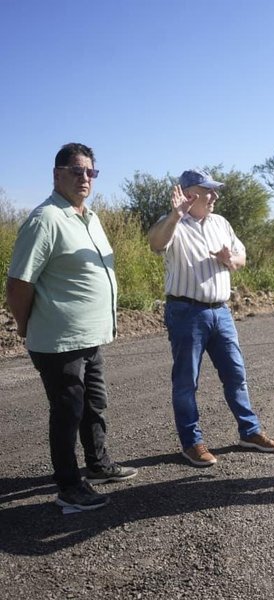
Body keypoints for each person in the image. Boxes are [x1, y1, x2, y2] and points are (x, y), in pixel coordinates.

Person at [6, 143, 137, 512]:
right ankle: (68, 487)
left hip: (90, 336)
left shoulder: (89, 217)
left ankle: (97, 464)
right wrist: (23, 325)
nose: (84, 178)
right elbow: (18, 284)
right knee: (67, 412)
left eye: (90, 172)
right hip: (58, 339)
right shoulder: (45, 219)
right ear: (57, 174)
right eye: (76, 171)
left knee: (94, 404)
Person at [147, 169, 274, 467]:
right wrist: (175, 215)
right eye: (209, 191)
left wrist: (229, 260)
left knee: (235, 374)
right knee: (186, 382)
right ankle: (191, 442)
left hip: (221, 311)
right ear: (189, 194)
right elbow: (156, 244)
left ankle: (250, 432)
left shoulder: (221, 223)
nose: (215, 196)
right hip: (185, 312)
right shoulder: (172, 224)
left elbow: (241, 257)